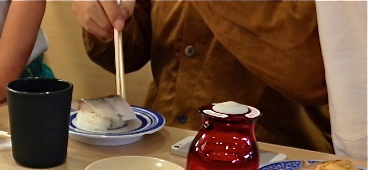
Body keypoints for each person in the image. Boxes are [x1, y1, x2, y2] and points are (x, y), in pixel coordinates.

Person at [73, 0, 333, 154]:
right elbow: (128, 54)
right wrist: (104, 18)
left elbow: (311, 76)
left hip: (272, 166)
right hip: (161, 147)